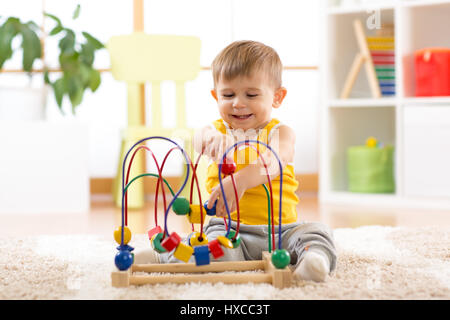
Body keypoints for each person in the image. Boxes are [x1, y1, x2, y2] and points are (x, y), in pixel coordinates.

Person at [134, 40, 336, 282]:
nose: (238, 103)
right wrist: (210, 140)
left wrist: (240, 181)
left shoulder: (280, 132)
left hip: (281, 230)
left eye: (251, 94)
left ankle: (312, 263)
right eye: (228, 95)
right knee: (213, 250)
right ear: (215, 96)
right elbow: (198, 139)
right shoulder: (217, 130)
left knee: (316, 233)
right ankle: (165, 260)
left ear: (277, 97)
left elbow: (277, 160)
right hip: (228, 229)